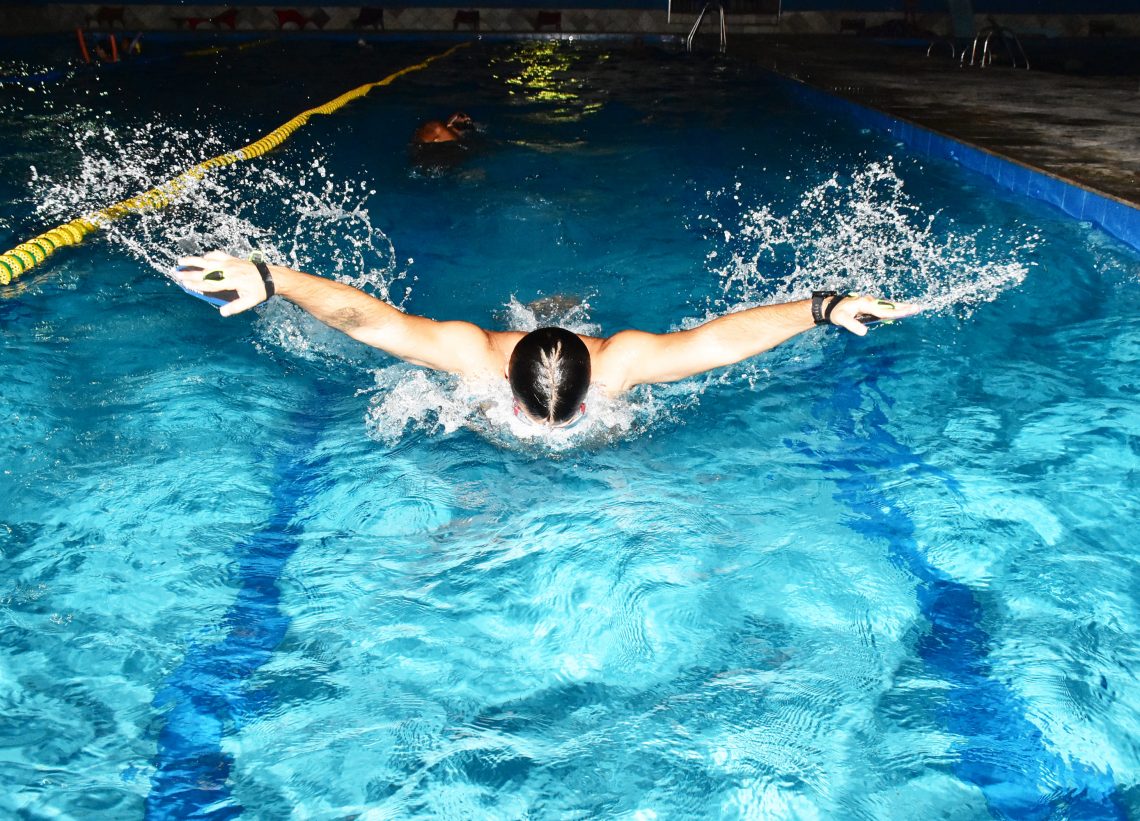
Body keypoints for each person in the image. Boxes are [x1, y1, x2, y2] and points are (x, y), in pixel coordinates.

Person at [171, 251, 921, 429]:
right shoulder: (473, 353)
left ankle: (554, 310)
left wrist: (824, 307)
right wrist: (273, 278)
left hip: (554, 341)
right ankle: (543, 311)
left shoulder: (621, 359)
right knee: (528, 317)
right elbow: (372, 322)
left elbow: (721, 342)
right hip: (519, 338)